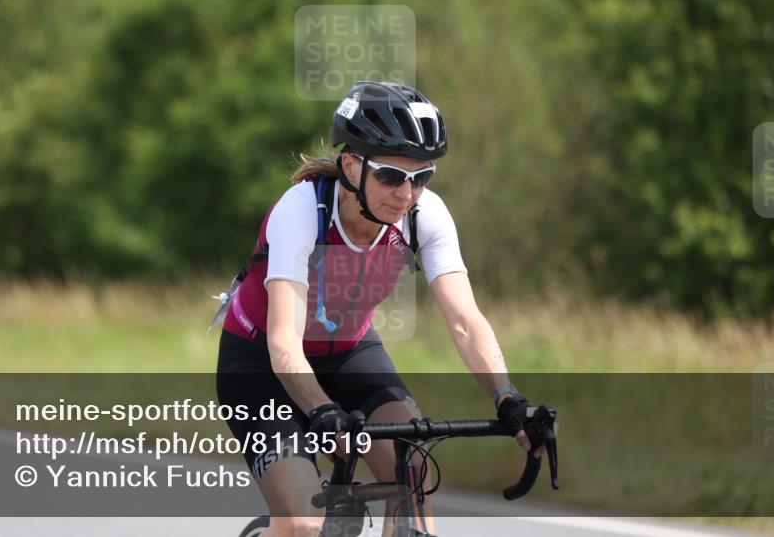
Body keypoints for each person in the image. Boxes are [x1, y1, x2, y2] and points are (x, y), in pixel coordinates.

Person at [216, 81, 545, 537]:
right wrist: (322, 411)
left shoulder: (423, 214)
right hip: (261, 363)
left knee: (413, 479)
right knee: (303, 521)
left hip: (351, 352)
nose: (406, 193)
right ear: (351, 165)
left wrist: (507, 397)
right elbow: (284, 344)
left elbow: (466, 322)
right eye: (391, 175)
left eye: (421, 177)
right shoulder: (302, 210)